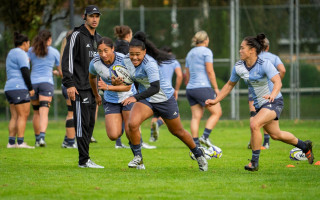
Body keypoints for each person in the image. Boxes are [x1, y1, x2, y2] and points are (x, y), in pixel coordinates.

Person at [205, 33, 314, 171]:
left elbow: (277, 82)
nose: (240, 50)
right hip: (260, 105)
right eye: (240, 48)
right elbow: (229, 86)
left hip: (274, 101)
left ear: (252, 50)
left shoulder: (264, 64)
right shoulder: (239, 67)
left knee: (254, 123)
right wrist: (215, 100)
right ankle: (305, 146)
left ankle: (254, 162)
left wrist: (272, 95)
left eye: (242, 48)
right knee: (276, 135)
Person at [116, 31, 208, 171]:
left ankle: (198, 154)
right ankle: (138, 158)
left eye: (138, 54)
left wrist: (134, 97)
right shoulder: (126, 61)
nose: (134, 57)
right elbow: (129, 79)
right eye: (131, 54)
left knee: (178, 131)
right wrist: (116, 81)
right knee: (132, 124)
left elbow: (155, 87)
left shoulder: (150, 63)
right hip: (146, 99)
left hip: (164, 99)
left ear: (144, 52)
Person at [61, 5, 103, 168]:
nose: (94, 19)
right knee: (81, 124)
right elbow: (67, 61)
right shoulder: (76, 35)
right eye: (91, 16)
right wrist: (69, 84)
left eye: (97, 16)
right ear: (84, 16)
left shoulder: (98, 38)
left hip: (93, 89)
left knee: (90, 124)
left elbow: (99, 65)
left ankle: (87, 158)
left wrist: (101, 84)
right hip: (79, 88)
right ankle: (83, 160)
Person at [89, 37, 135, 150]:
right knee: (113, 135)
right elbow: (92, 77)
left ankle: (138, 157)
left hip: (127, 96)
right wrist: (96, 95)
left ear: (112, 49)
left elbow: (127, 87)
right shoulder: (95, 63)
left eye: (106, 50)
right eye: (100, 51)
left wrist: (108, 87)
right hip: (110, 100)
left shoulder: (124, 60)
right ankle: (122, 123)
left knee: (131, 134)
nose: (103, 54)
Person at [114, 25, 156, 149]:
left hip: (117, 85)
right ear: (128, 35)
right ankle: (139, 142)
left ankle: (119, 143)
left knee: (126, 117)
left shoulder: (115, 47)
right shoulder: (129, 50)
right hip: (128, 87)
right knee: (133, 118)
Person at [185, 30, 222, 148]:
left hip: (190, 88)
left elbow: (187, 73)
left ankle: (195, 144)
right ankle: (205, 137)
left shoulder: (190, 53)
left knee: (196, 117)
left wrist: (188, 85)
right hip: (202, 87)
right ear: (206, 40)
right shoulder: (206, 51)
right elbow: (210, 71)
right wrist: (216, 88)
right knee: (217, 112)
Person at [247, 37, 286, 150]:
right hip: (270, 91)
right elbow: (282, 70)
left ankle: (253, 141)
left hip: (254, 88)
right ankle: (266, 142)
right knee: (264, 117)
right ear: (267, 47)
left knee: (254, 115)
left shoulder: (254, 57)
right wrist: (276, 82)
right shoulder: (274, 57)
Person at [28, 30, 60, 147]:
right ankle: (42, 138)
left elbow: (26, 65)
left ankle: (37, 140)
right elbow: (61, 71)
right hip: (46, 83)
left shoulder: (31, 50)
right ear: (49, 39)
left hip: (33, 84)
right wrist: (56, 73)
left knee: (36, 113)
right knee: (44, 112)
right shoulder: (54, 52)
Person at [4, 32, 35, 149]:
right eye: (28, 43)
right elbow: (25, 71)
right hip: (19, 87)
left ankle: (11, 143)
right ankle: (20, 142)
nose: (29, 46)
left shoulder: (11, 53)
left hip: (9, 88)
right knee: (23, 115)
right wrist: (30, 88)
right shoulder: (21, 53)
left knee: (14, 116)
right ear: (24, 43)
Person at [149, 46, 183, 142]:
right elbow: (180, 75)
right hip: (167, 90)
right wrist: (176, 89)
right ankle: (159, 123)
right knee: (170, 113)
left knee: (155, 114)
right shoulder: (173, 61)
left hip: (154, 90)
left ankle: (152, 136)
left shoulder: (155, 61)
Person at [58, 30, 77, 148]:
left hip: (65, 84)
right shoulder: (71, 53)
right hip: (70, 86)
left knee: (73, 112)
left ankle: (66, 140)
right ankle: (70, 142)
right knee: (71, 113)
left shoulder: (64, 53)